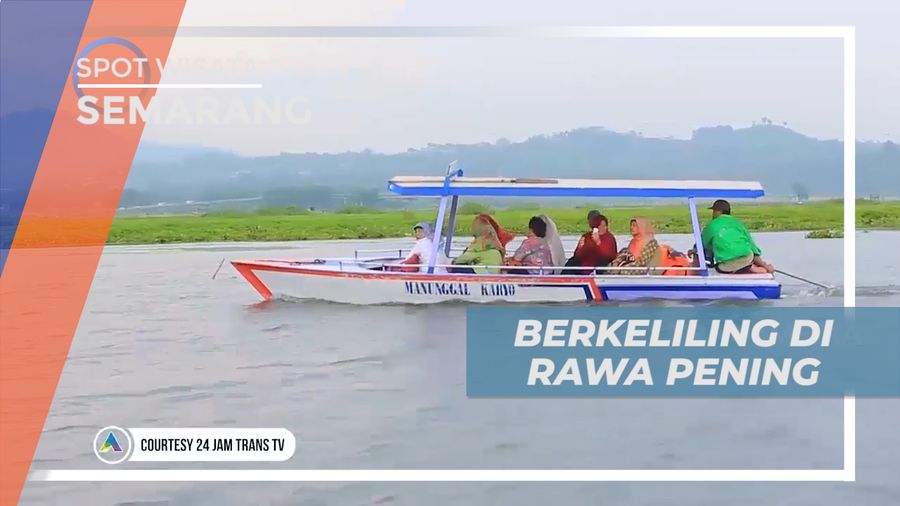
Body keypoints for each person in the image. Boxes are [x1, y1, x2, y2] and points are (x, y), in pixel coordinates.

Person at [700, 199, 774, 274]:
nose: (713, 214)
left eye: (714, 211)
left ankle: (747, 268)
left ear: (718, 211)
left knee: (717, 264)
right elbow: (753, 248)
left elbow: (702, 244)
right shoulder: (738, 223)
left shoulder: (711, 225)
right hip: (747, 258)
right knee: (747, 255)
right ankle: (750, 267)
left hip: (727, 266)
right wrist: (765, 266)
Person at [609, 217, 694, 275]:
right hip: (636, 267)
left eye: (634, 225)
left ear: (641, 227)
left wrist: (621, 269)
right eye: (631, 225)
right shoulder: (633, 242)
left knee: (619, 271)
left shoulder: (650, 242)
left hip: (651, 270)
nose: (631, 228)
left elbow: (642, 262)